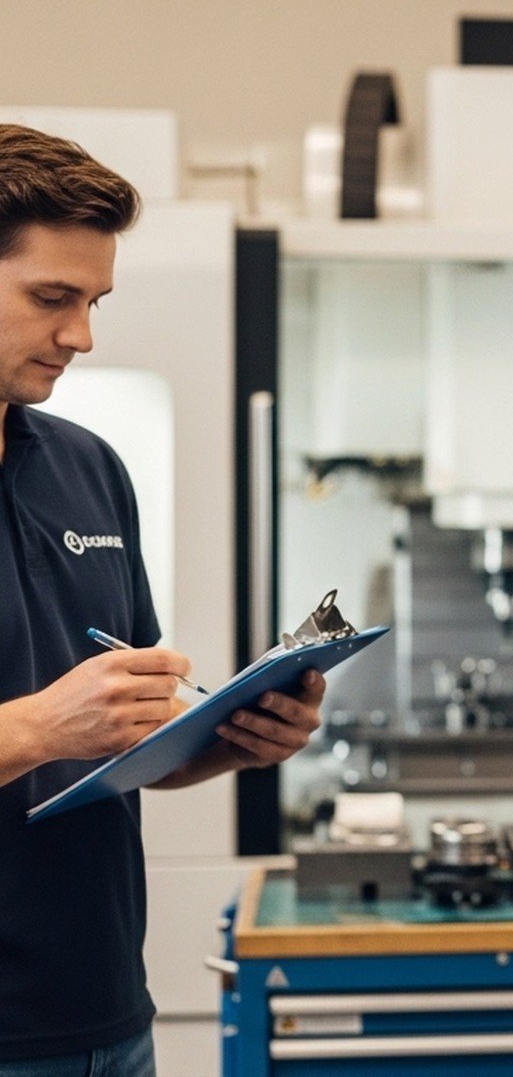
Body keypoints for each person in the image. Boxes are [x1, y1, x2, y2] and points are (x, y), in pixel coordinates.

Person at [0, 124, 326, 1076]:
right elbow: (55, 733)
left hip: (106, 1015)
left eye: (93, 301)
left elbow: (117, 748)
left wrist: (227, 738)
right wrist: (38, 728)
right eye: (51, 298)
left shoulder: (88, 468)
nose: (82, 336)